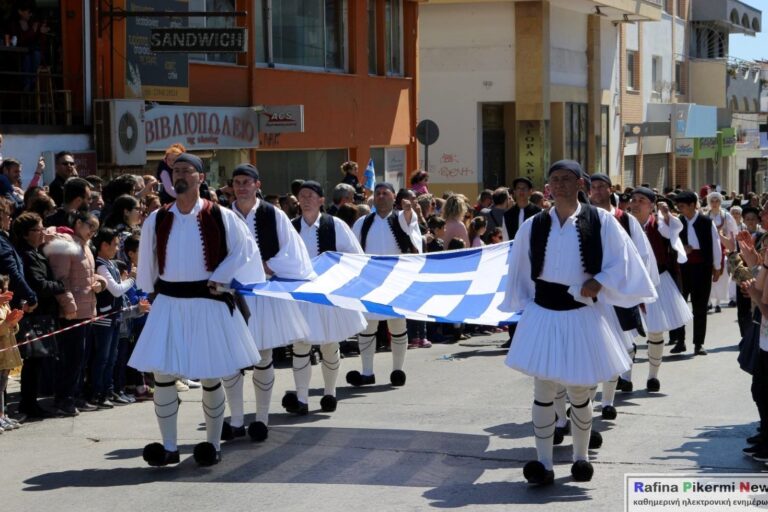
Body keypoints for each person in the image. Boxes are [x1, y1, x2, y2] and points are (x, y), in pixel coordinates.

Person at [503, 159, 655, 485]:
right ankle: (543, 463)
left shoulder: (601, 221)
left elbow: (623, 260)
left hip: (581, 313)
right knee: (542, 389)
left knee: (579, 390)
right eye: (554, 179)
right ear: (548, 186)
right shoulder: (533, 224)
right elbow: (520, 267)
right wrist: (525, 305)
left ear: (579, 184)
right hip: (544, 312)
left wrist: (599, 281)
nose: (559, 184)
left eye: (566, 179)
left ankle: (580, 458)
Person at [128, 153, 263, 467]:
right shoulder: (158, 218)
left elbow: (245, 250)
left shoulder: (221, 215)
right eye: (175, 170)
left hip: (207, 302)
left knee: (210, 373)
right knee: (162, 375)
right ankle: (170, 446)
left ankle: (212, 444)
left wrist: (220, 277)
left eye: (186, 170)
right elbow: (146, 261)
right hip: (170, 301)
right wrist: (148, 289)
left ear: (201, 177)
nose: (179, 176)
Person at [221, 163, 313, 443]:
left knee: (263, 357)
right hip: (230, 295)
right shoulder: (221, 215)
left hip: (262, 295)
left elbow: (295, 253)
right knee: (231, 360)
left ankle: (261, 419)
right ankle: (236, 420)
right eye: (237, 181)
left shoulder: (274, 215)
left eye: (247, 181)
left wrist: (268, 265)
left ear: (257, 185)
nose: (241, 186)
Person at [285, 180, 368, 413]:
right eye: (302, 195)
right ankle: (301, 398)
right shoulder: (290, 227)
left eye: (311, 195)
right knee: (300, 346)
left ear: (321, 200)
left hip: (328, 295)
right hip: (301, 296)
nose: (306, 199)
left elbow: (355, 256)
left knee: (330, 345)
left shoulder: (336, 225)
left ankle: (329, 394)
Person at [349, 182, 422, 388]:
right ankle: (367, 372)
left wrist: (408, 213)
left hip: (396, 281)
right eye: (378, 194)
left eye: (385, 193)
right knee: (367, 327)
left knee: (397, 325)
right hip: (368, 282)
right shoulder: (363, 222)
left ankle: (398, 370)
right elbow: (352, 250)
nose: (381, 197)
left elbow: (413, 236)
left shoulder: (402, 217)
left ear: (393, 197)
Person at [628, 188, 692, 393]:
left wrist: (666, 214)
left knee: (655, 331)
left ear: (651, 205)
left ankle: (652, 376)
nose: (636, 203)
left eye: (642, 200)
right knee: (625, 333)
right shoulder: (622, 224)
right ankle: (624, 376)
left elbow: (674, 229)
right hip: (628, 283)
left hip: (658, 282)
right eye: (634, 199)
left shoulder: (660, 224)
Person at [45, 210, 107, 416]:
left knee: (81, 358)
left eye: (96, 230)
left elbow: (88, 275)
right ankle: (64, 399)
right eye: (91, 227)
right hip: (72, 312)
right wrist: (69, 305)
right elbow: (60, 279)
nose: (93, 232)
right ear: (78, 223)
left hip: (86, 309)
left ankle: (75, 396)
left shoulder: (84, 246)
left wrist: (101, 282)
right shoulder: (65, 245)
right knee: (71, 359)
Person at [13, 212, 64, 419]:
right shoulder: (26, 254)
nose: (42, 232)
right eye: (37, 229)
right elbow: (38, 284)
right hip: (34, 316)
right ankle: (28, 403)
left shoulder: (37, 252)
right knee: (31, 362)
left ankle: (31, 402)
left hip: (42, 315)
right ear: (26, 234)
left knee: (36, 362)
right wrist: (60, 285)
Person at [669, 191, 723, 356]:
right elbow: (671, 243)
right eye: (678, 206)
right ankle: (680, 341)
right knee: (680, 304)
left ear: (693, 205)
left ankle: (698, 343)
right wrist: (681, 248)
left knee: (700, 306)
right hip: (683, 268)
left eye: (682, 206)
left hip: (702, 267)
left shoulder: (706, 222)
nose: (680, 209)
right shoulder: (677, 223)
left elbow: (716, 245)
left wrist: (717, 267)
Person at [0, 274, 24, 432]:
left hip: (6, 353)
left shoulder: (4, 305)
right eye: (4, 289)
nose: (6, 293)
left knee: (2, 386)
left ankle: (2, 415)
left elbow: (12, 329)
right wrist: (7, 322)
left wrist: (14, 323)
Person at [706, 192, 737, 312]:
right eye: (712, 201)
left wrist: (729, 244)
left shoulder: (726, 215)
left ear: (720, 202)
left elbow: (732, 231)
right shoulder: (705, 215)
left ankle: (718, 302)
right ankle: (708, 301)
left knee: (722, 274)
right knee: (708, 275)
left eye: (717, 201)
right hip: (708, 248)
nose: (714, 203)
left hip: (722, 247)